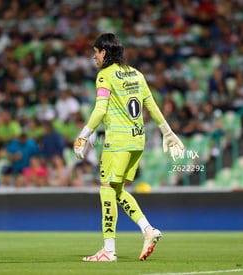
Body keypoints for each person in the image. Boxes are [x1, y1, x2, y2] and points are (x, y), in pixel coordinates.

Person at [73, 33, 184, 262]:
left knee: (106, 189)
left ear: (104, 52)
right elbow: (150, 105)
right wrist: (168, 132)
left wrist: (84, 136)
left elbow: (100, 109)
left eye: (95, 53)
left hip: (118, 141)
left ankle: (108, 250)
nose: (94, 58)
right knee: (117, 189)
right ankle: (147, 229)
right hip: (137, 140)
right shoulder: (136, 74)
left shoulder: (105, 75)